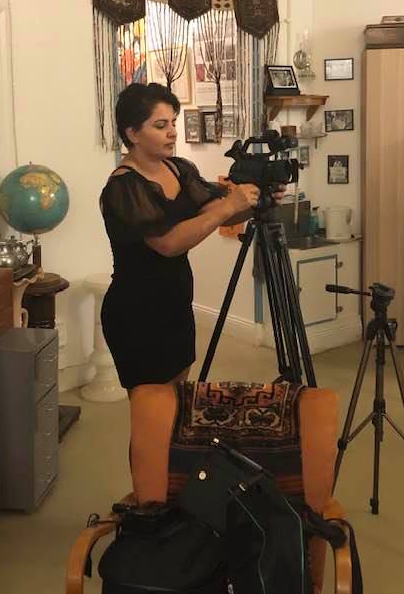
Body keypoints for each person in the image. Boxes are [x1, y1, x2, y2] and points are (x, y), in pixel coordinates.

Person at [100, 82, 276, 392]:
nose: (172, 132)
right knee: (152, 407)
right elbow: (168, 243)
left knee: (177, 397)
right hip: (137, 311)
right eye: (160, 125)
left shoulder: (178, 169)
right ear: (132, 133)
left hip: (176, 303)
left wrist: (256, 201)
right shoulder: (124, 186)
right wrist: (229, 205)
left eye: (173, 123)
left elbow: (217, 212)